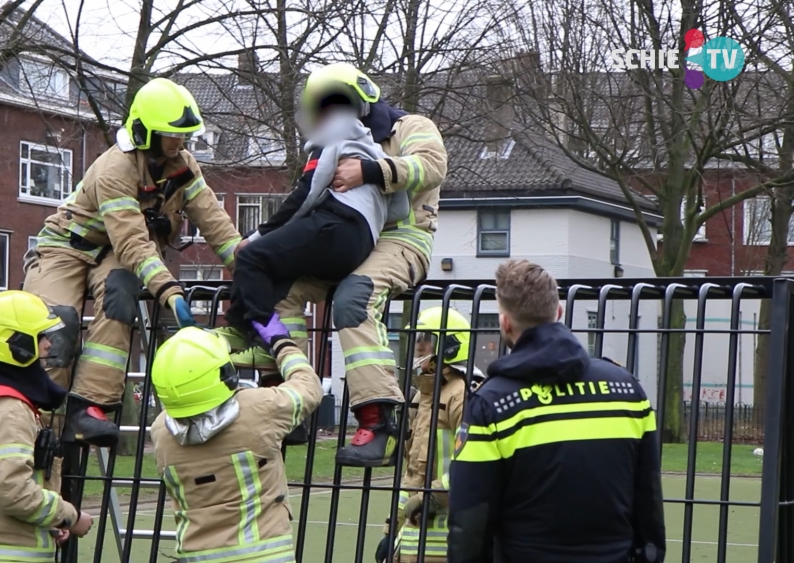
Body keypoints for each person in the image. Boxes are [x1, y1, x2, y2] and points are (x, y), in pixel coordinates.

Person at [229, 62, 448, 467]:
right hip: (351, 238)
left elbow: (433, 167)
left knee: (355, 297)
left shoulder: (410, 126)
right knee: (280, 288)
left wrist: (371, 170)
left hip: (402, 240)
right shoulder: (339, 136)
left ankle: (377, 421)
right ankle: (287, 399)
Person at [22, 77, 243, 447]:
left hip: (111, 251)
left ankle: (89, 407)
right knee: (55, 323)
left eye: (185, 134)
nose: (182, 142)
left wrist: (248, 269)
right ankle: (40, 418)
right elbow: (133, 244)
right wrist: (170, 292)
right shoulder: (115, 170)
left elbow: (216, 223)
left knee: (120, 292)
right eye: (172, 134)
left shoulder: (183, 166)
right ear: (145, 133)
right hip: (65, 247)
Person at [446, 260, 666, 563]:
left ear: (505, 323)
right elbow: (649, 499)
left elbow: (470, 519)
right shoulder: (627, 390)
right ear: (559, 312)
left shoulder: (491, 403)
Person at [214, 100, 408, 354]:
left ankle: (260, 337)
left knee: (252, 257)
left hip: (337, 224)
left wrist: (257, 236)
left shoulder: (333, 138)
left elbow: (306, 193)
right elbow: (400, 208)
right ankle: (248, 328)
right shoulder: (375, 152)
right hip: (362, 244)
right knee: (280, 272)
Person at [150, 315, 323, 563]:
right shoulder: (259, 408)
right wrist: (282, 343)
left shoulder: (161, 431)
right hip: (267, 553)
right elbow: (309, 387)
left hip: (195, 555)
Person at [0, 290, 94, 562]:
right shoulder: (8, 408)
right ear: (17, 344)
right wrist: (70, 516)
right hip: (6, 554)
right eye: (40, 337)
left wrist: (49, 522)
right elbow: (14, 493)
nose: (48, 345)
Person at [377, 307, 482, 563]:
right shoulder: (422, 396)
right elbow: (412, 473)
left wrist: (432, 497)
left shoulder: (462, 395)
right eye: (418, 338)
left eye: (427, 338)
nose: (419, 345)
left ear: (449, 346)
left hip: (447, 541)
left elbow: (473, 463)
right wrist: (392, 529)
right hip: (413, 542)